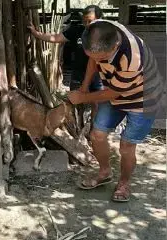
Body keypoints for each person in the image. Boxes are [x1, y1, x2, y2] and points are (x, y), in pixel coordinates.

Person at [68, 20, 163, 202]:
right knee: (97, 135)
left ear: (116, 46)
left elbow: (114, 92)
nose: (97, 61)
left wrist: (82, 98)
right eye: (92, 56)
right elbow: (93, 59)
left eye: (102, 58)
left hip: (144, 98)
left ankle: (124, 183)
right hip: (115, 90)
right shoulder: (97, 30)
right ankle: (104, 173)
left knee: (126, 146)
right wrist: (84, 87)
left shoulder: (132, 58)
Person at [28, 5, 103, 132]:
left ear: (100, 19)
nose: (86, 24)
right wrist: (36, 33)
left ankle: (93, 131)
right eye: (84, 20)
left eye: (90, 21)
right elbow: (56, 38)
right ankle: (77, 130)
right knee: (76, 103)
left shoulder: (106, 34)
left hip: (99, 74)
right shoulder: (77, 30)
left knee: (97, 104)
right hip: (78, 74)